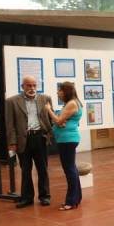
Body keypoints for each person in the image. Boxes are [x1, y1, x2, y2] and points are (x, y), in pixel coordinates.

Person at [5, 76, 53, 208]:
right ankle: (27, 198)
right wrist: (12, 142)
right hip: (23, 140)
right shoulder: (12, 101)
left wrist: (51, 135)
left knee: (43, 168)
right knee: (25, 170)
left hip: (40, 138)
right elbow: (10, 125)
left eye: (34, 85)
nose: (32, 88)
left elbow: (51, 118)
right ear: (22, 87)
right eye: (28, 85)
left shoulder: (45, 99)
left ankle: (45, 196)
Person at [45, 82, 82, 211]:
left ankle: (71, 201)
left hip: (67, 140)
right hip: (66, 139)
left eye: (59, 90)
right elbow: (61, 120)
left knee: (69, 169)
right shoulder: (71, 103)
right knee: (72, 169)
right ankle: (76, 198)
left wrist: (49, 109)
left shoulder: (72, 103)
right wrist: (59, 121)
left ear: (65, 91)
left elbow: (59, 120)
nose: (57, 92)